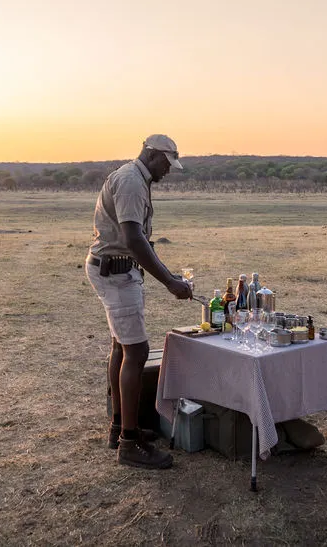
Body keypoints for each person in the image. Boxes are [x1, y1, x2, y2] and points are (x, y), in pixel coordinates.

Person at [85, 134, 193, 470]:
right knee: (137, 352)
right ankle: (129, 445)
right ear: (151, 154)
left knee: (121, 349)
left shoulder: (134, 178)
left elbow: (140, 239)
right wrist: (170, 282)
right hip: (116, 273)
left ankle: (121, 428)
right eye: (166, 163)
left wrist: (168, 274)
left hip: (116, 270)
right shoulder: (132, 181)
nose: (169, 171)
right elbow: (133, 239)